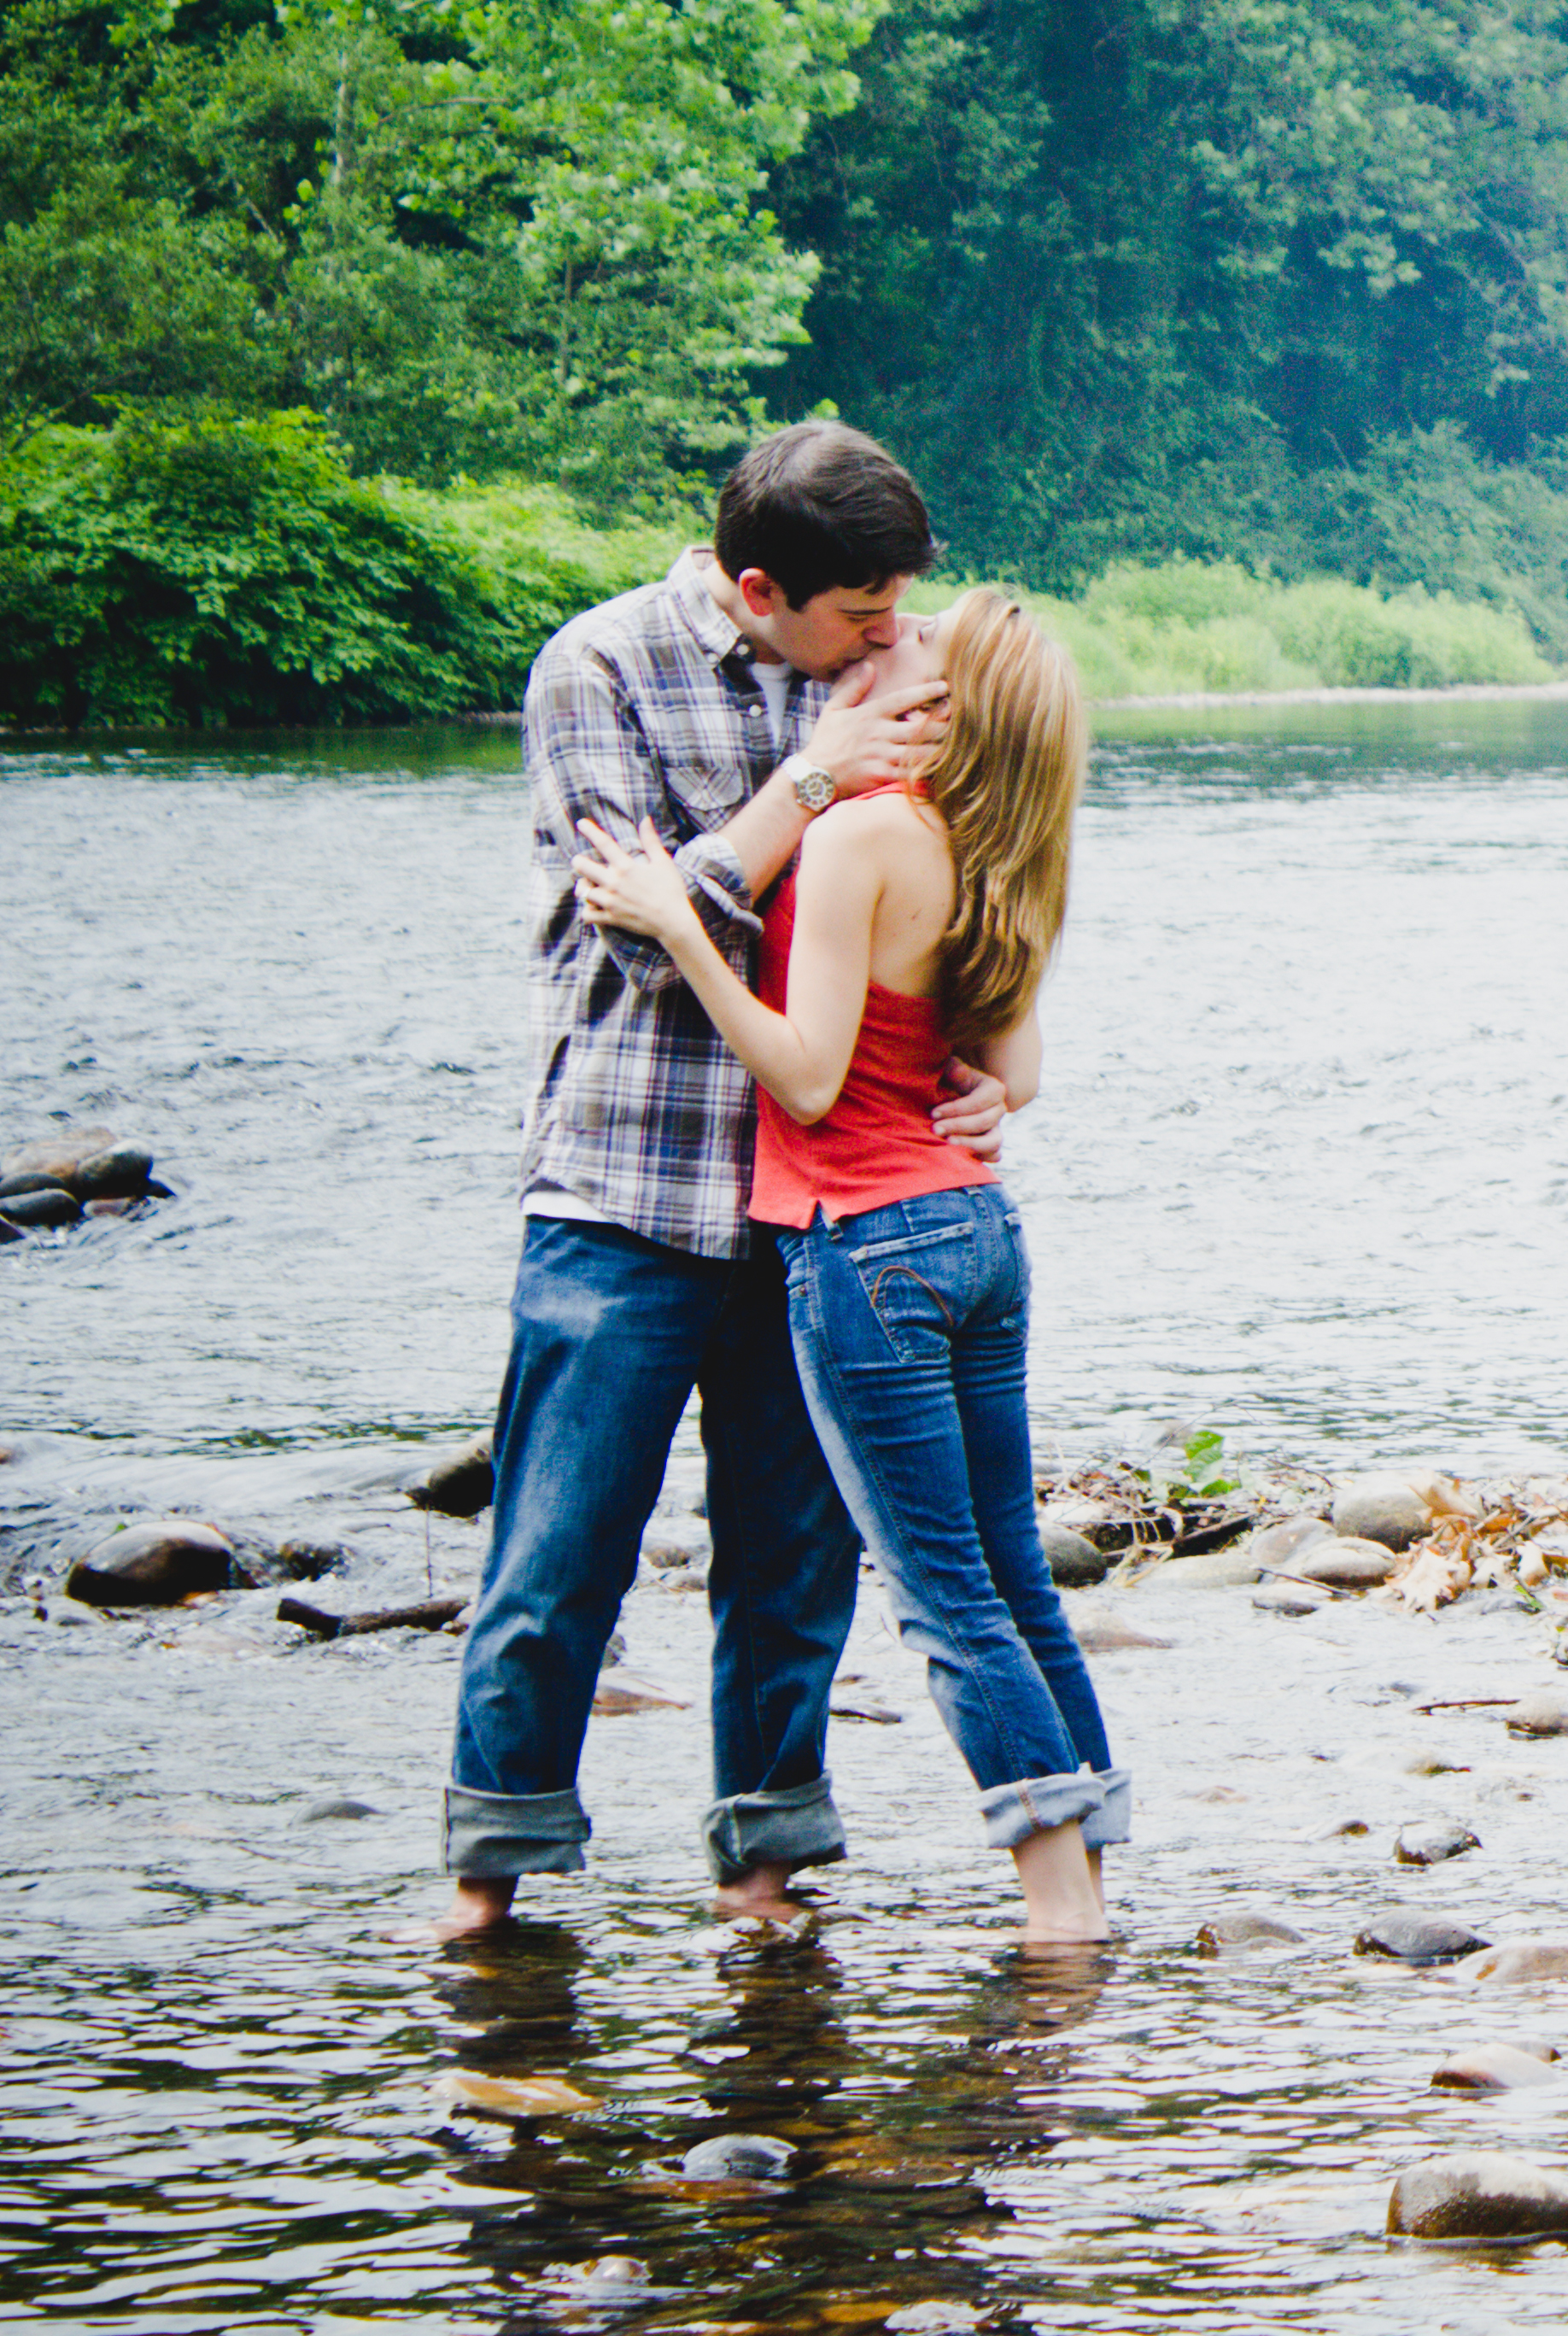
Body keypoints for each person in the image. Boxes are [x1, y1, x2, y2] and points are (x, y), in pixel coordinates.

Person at [436, 422, 1009, 1940]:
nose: (891, 641)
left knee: (789, 1564)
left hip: (815, 1211)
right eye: (860, 616)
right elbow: (632, 932)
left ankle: (765, 1868)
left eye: (901, 610)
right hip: (622, 1192)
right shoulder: (598, 667)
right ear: (760, 588)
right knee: (557, 1550)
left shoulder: (889, 655)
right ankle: (488, 1882)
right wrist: (813, 781)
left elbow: (974, 882)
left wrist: (988, 1067)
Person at [573, 588, 1130, 1941]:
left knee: (946, 1596)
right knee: (1010, 1572)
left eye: (920, 645)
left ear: (951, 707)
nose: (894, 645)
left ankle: (1059, 1907)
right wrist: (983, 1098)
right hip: (980, 1237)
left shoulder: (866, 833)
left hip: (866, 1243)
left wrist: (680, 925)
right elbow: (1020, 1070)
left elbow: (810, 1079)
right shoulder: (1006, 840)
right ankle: (1093, 1869)